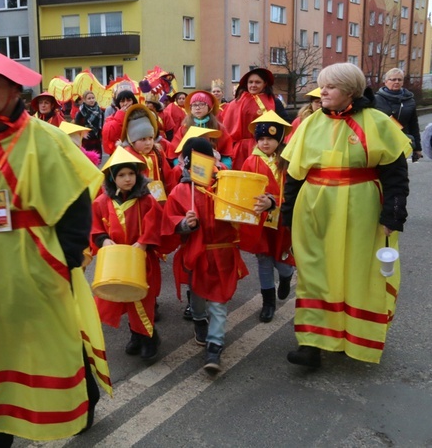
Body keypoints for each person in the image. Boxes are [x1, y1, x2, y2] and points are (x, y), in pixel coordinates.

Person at [0, 48, 111, 447]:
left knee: (50, 341)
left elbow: (76, 207)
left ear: (15, 89)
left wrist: (61, 264)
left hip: (39, 261)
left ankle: (84, 400)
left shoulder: (46, 139)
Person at [281, 62, 411, 368]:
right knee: (314, 273)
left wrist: (392, 215)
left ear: (350, 91)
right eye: (321, 85)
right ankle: (312, 342)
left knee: (357, 273)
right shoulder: (310, 123)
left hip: (361, 210)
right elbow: (294, 176)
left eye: (331, 86)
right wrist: (287, 214)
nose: (322, 92)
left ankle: (354, 336)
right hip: (314, 210)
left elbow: (395, 175)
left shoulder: (378, 122)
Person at [162, 137, 249, 374]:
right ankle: (199, 320)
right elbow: (169, 223)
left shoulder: (226, 186)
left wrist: (259, 206)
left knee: (218, 303)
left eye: (209, 160)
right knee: (198, 297)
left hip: (222, 254)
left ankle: (215, 346)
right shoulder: (181, 191)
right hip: (196, 256)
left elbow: (245, 211)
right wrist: (184, 224)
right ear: (188, 165)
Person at [91, 147, 163, 362]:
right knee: (122, 296)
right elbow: (95, 228)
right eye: (121, 175)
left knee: (142, 299)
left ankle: (149, 338)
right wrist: (104, 240)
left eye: (131, 174)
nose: (127, 179)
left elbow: (155, 224)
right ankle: (136, 335)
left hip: (140, 258)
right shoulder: (102, 202)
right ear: (113, 178)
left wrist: (143, 243)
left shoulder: (147, 201)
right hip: (115, 261)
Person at [238, 111, 295, 323]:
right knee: (263, 259)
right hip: (260, 221)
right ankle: (268, 303)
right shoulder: (250, 162)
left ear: (279, 139)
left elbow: (294, 191)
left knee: (281, 260)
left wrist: (275, 203)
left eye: (270, 138)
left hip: (282, 220)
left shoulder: (289, 161)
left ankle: (286, 276)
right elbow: (244, 191)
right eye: (261, 139)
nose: (265, 143)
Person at [222, 68, 289, 169]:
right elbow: (226, 128)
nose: (253, 85)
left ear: (265, 84)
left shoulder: (274, 102)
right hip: (241, 150)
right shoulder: (236, 102)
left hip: (266, 147)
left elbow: (284, 123)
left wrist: (275, 141)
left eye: (257, 82)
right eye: (250, 82)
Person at [120, 103, 176, 203]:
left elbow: (169, 177)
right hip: (137, 202)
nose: (148, 143)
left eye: (150, 138)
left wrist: (173, 197)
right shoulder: (126, 156)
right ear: (132, 140)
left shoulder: (157, 152)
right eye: (143, 139)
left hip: (159, 200)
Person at [168, 90, 234, 169]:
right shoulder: (184, 128)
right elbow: (175, 151)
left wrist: (224, 167)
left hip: (213, 166)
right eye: (194, 105)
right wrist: (180, 167)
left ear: (209, 107)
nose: (198, 108)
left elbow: (226, 154)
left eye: (202, 104)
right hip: (189, 166)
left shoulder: (219, 128)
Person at [374, 68, 423, 162]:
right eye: (393, 79)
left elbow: (414, 125)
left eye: (399, 79)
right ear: (385, 81)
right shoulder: (376, 100)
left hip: (401, 143)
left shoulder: (409, 101)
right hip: (380, 143)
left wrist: (417, 148)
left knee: (399, 173)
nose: (396, 82)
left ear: (403, 82)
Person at [102, 89, 138, 156]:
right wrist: (120, 114)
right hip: (119, 152)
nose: (125, 103)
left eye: (128, 100)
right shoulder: (112, 117)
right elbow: (109, 134)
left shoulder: (139, 114)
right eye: (122, 101)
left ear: (134, 101)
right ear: (118, 104)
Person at [73, 90, 104, 156]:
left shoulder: (100, 111)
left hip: (96, 141)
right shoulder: (81, 112)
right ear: (84, 100)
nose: (91, 100)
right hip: (85, 141)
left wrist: (101, 136)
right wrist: (82, 133)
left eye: (93, 98)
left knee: (97, 161)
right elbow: (77, 126)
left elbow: (101, 126)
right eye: (89, 98)